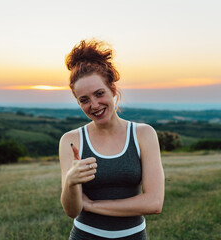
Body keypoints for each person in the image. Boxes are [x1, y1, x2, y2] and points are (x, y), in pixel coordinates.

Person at [59, 39, 165, 240]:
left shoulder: (143, 134)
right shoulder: (71, 141)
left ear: (113, 90)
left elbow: (154, 203)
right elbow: (72, 210)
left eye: (99, 94)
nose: (94, 105)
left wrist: (91, 205)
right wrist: (70, 183)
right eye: (84, 100)